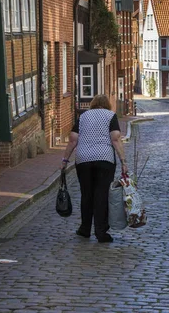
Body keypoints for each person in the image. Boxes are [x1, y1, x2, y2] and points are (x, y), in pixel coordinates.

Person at [61, 94, 128, 243]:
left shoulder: (83, 116)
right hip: (105, 160)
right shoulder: (111, 116)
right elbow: (115, 139)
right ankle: (101, 232)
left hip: (83, 160)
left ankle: (85, 229)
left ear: (93, 104)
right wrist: (123, 161)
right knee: (102, 195)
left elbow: (73, 139)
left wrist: (65, 160)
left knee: (86, 194)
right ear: (107, 105)